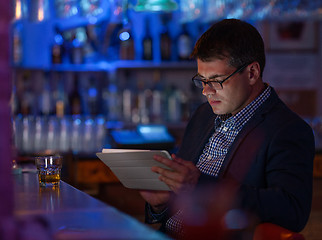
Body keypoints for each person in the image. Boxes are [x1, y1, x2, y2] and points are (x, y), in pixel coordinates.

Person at [139, 18, 315, 238]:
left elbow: (292, 213)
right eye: (201, 80)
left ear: (252, 73)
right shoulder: (203, 115)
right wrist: (161, 205)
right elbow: (184, 205)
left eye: (216, 80)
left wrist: (200, 185)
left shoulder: (287, 130)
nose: (206, 91)